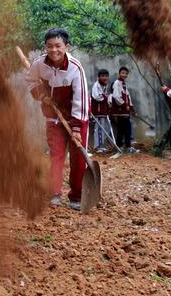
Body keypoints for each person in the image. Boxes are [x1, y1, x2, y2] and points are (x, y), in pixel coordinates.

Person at [26, 28, 89, 211]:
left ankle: (76, 196)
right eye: (49, 46)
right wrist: (41, 96)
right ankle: (54, 193)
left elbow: (81, 98)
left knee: (78, 159)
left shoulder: (75, 68)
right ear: (45, 47)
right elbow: (30, 80)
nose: (54, 50)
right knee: (56, 155)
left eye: (58, 46)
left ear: (66, 46)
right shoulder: (39, 65)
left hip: (77, 118)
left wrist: (77, 128)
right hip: (53, 118)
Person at [111, 66, 138, 153]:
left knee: (123, 129)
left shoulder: (123, 84)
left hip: (125, 111)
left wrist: (132, 108)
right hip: (120, 111)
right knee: (126, 129)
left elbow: (127, 97)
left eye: (126, 73)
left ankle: (121, 146)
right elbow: (116, 96)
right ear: (119, 73)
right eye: (123, 73)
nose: (124, 75)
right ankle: (126, 146)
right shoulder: (117, 83)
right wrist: (124, 105)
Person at [91, 69, 112, 153]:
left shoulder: (104, 86)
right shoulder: (96, 85)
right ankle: (98, 147)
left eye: (106, 76)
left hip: (103, 111)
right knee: (99, 129)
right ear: (99, 77)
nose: (104, 77)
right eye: (102, 76)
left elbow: (104, 97)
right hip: (98, 111)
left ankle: (101, 145)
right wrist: (105, 97)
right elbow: (97, 97)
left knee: (105, 128)